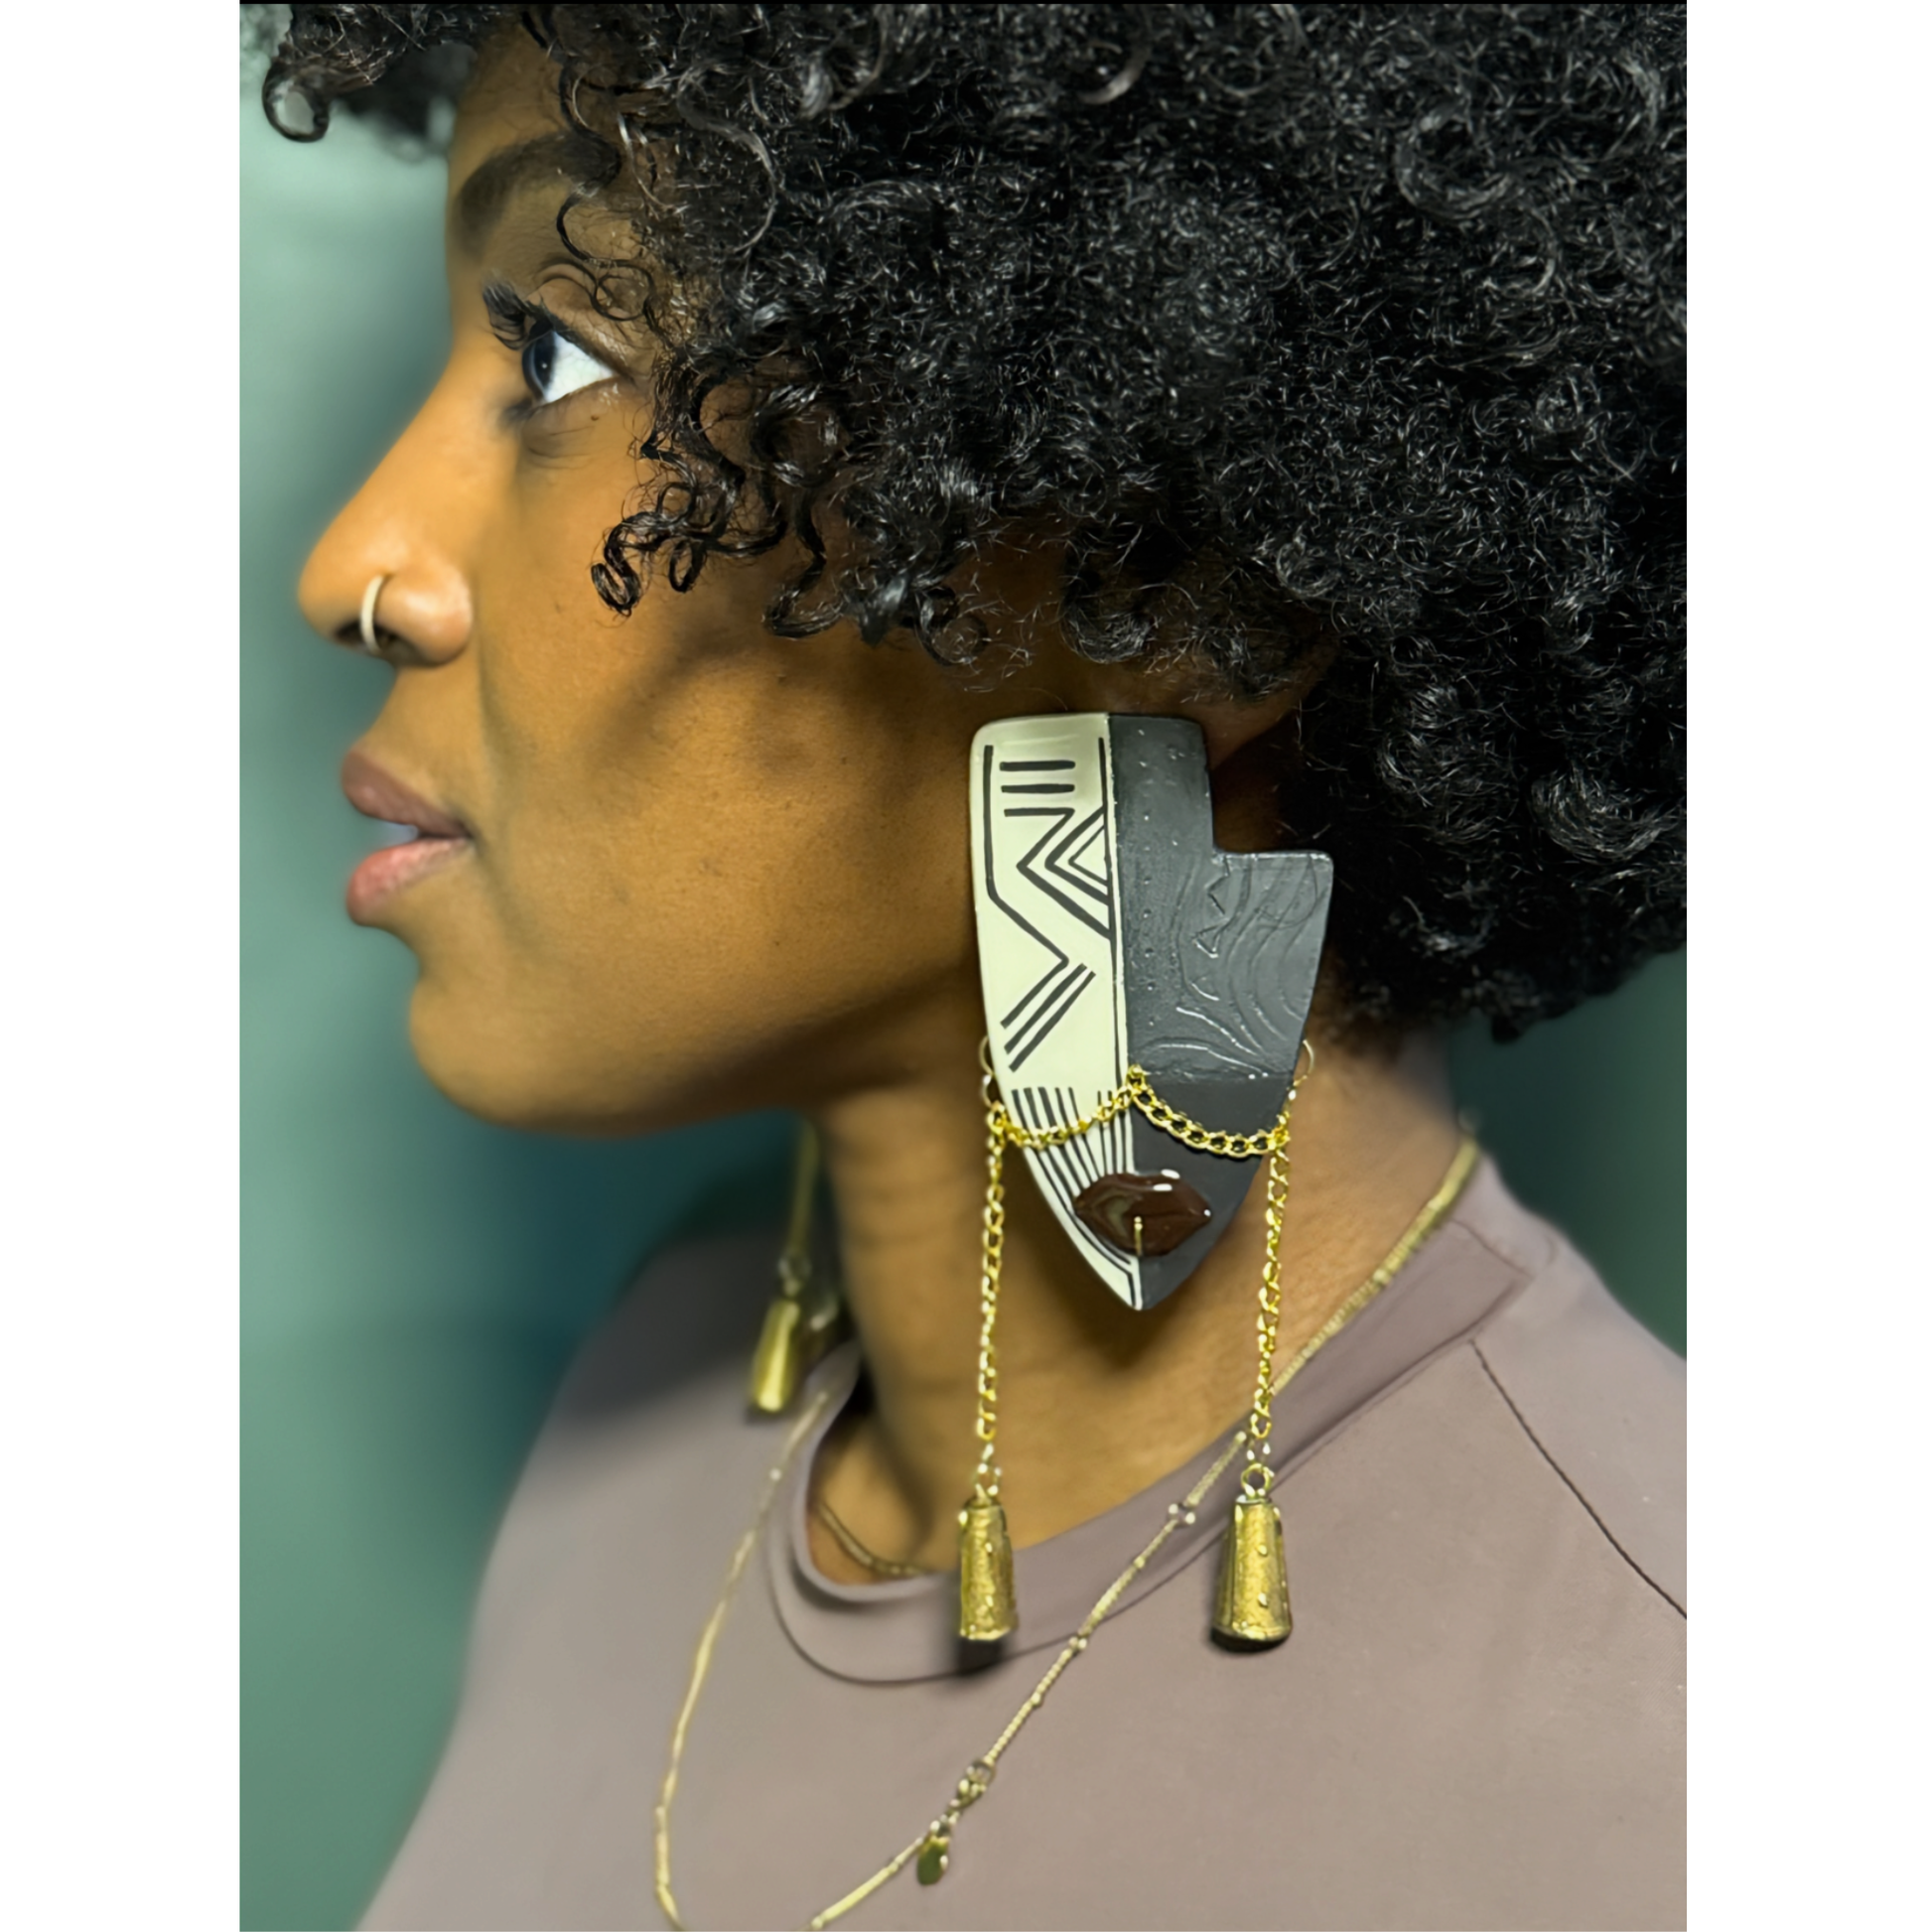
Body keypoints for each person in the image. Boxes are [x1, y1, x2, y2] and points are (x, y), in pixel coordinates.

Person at [260, 6, 1685, 1927]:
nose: (354, 566)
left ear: (1185, 586)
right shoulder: (640, 1407)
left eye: (560, 352)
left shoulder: (1678, 1752)